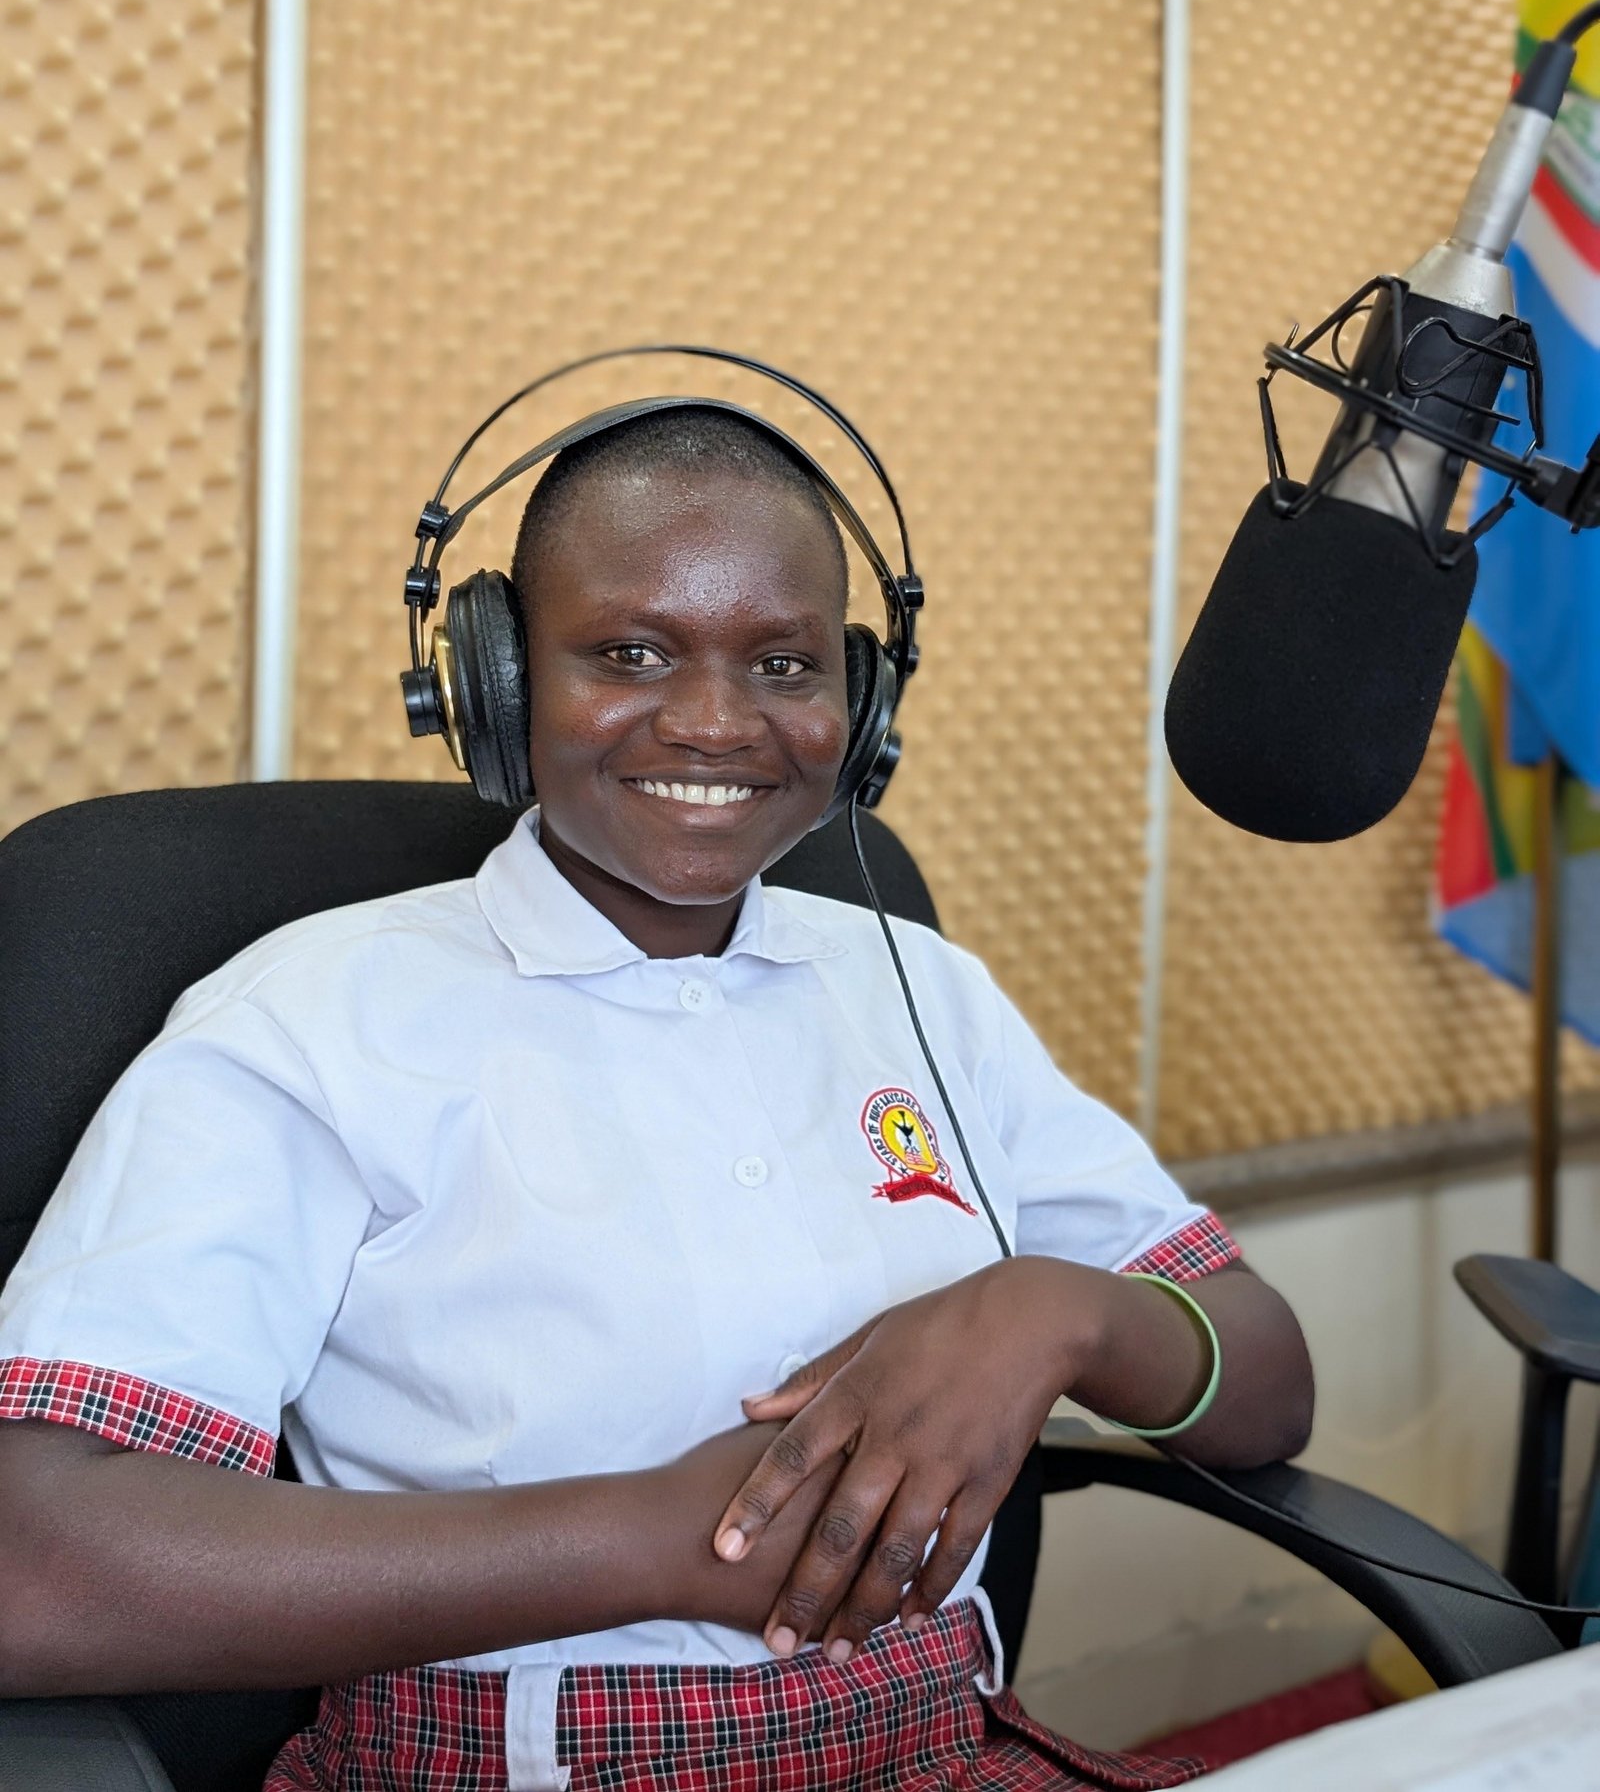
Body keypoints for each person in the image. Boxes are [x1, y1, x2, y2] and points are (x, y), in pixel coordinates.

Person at [0, 405, 1314, 1790]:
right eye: (630, 652)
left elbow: (1267, 1380)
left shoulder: (919, 989)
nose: (711, 720)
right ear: (493, 681)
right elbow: (35, 1558)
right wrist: (662, 1540)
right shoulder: (312, 1020)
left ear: (860, 709)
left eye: (784, 663)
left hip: (944, 1748)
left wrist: (1064, 1311)